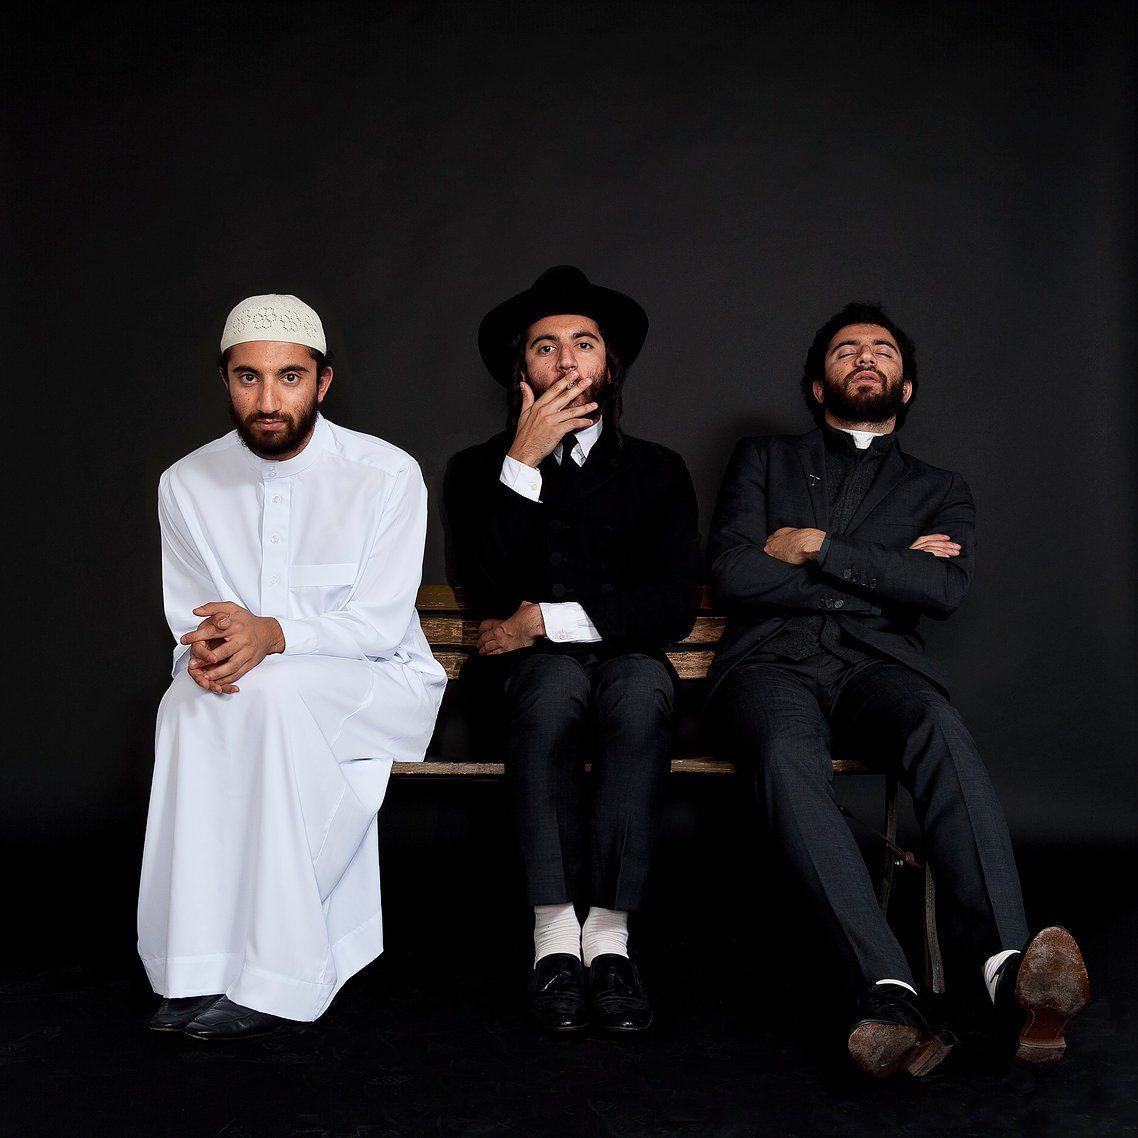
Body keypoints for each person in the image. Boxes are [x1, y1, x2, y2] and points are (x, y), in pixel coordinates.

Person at [705, 301, 1089, 1078]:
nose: (865, 357)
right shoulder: (763, 460)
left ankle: (1007, 971)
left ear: (906, 387)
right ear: (819, 386)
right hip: (769, 667)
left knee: (939, 724)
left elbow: (942, 590)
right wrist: (884, 567)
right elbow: (736, 573)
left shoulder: (941, 487)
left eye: (881, 349)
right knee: (786, 751)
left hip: (877, 671)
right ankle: (884, 989)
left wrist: (815, 546)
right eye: (847, 351)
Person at [137, 293, 446, 1040]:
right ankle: (195, 963)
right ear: (225, 379)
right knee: (185, 706)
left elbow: (376, 624)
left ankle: (278, 973)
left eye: (289, 377)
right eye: (248, 378)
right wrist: (207, 654)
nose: (268, 400)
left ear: (324, 381)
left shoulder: (386, 473)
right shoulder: (185, 481)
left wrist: (272, 634)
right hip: (252, 676)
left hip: (379, 679)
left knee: (269, 698)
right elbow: (193, 615)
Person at [443, 266, 701, 1033]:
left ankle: (611, 941)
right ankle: (554, 938)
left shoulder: (658, 470)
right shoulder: (473, 471)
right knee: (555, 687)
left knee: (641, 688)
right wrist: (520, 466)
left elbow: (670, 605)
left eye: (583, 344)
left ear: (608, 367)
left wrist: (546, 621)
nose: (565, 361)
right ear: (521, 372)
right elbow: (490, 595)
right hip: (523, 686)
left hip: (624, 666)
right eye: (545, 347)